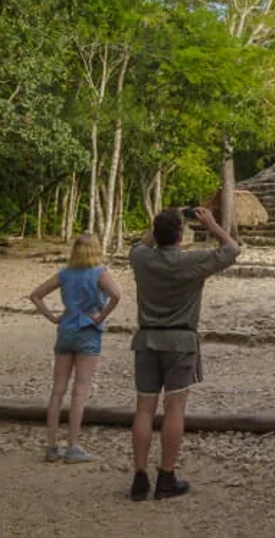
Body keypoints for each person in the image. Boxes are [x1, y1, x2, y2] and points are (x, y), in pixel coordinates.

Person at [128, 205, 239, 501]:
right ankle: (166, 475)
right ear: (180, 236)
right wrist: (213, 225)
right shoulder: (192, 261)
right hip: (180, 340)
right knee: (174, 408)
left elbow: (142, 243)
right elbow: (232, 249)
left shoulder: (141, 259)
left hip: (146, 338)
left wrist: (163, 220)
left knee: (144, 409)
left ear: (156, 233)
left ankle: (139, 476)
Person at [28, 232, 122, 463]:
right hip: (88, 330)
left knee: (57, 390)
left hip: (66, 329)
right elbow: (116, 295)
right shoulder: (99, 272)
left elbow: (36, 295)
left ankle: (51, 446)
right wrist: (101, 317)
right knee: (80, 390)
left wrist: (53, 317)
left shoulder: (65, 273)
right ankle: (73, 446)